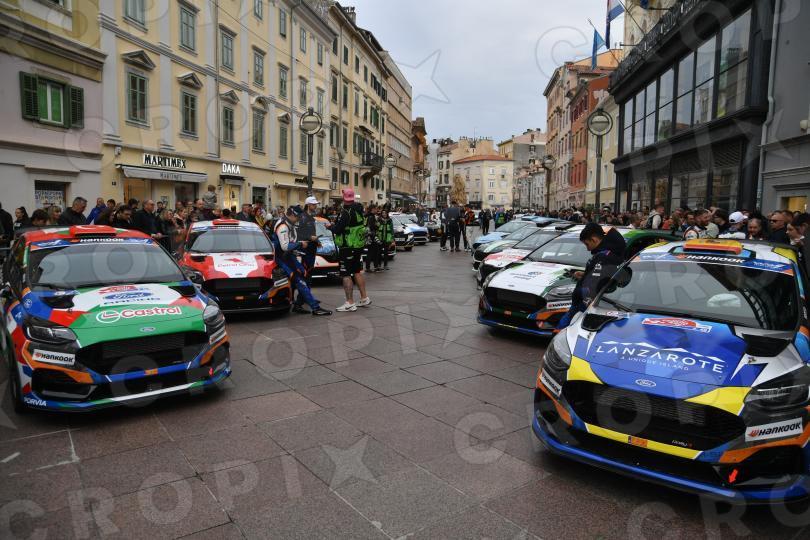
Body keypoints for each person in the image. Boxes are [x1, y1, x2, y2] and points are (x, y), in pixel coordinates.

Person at [557, 223, 627, 330]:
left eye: (587, 244)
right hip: (591, 306)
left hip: (585, 307)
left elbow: (593, 286)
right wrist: (585, 275)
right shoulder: (607, 254)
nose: (587, 249)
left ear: (594, 239)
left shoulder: (604, 257)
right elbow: (600, 277)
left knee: (561, 331)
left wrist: (578, 295)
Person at [272, 206, 331, 316]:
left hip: (289, 256)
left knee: (304, 275)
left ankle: (298, 304)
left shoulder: (289, 223)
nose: (299, 220)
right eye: (298, 217)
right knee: (300, 281)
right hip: (283, 258)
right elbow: (285, 246)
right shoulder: (283, 226)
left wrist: (303, 242)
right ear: (292, 215)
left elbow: (293, 240)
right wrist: (300, 244)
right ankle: (315, 307)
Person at [330, 189, 371, 312]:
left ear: (344, 198)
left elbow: (337, 229)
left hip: (347, 246)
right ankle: (364, 298)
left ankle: (349, 302)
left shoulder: (346, 212)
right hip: (358, 245)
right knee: (357, 271)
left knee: (346, 274)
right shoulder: (359, 210)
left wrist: (330, 226)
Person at [292, 196, 320, 311]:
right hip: (305, 251)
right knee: (305, 276)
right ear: (308, 205)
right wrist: (310, 237)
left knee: (308, 275)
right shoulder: (302, 217)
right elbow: (297, 234)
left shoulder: (311, 217)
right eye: (314, 204)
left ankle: (306, 298)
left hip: (311, 249)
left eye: (316, 204)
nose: (316, 206)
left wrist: (317, 241)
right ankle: (299, 302)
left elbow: (311, 233)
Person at [364, 205, 381, 272]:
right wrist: (377, 225)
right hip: (372, 236)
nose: (376, 210)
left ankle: (369, 267)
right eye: (375, 209)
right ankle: (374, 267)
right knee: (374, 252)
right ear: (372, 209)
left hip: (369, 236)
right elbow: (372, 226)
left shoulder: (367, 216)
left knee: (370, 252)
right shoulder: (371, 217)